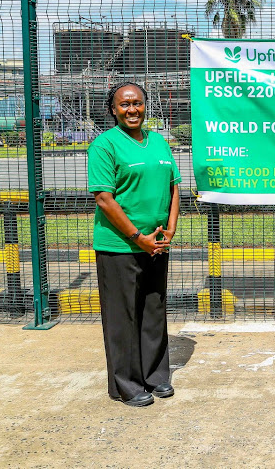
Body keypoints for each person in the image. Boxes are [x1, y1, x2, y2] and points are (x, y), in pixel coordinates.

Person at [87, 81, 181, 406]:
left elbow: (174, 188)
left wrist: (169, 230)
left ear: (145, 106)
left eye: (137, 103)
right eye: (125, 104)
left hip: (156, 245)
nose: (132, 109)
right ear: (113, 109)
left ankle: (156, 376)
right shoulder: (105, 145)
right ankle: (126, 385)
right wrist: (137, 238)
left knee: (153, 311)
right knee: (122, 316)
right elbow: (104, 199)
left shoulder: (158, 143)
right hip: (120, 247)